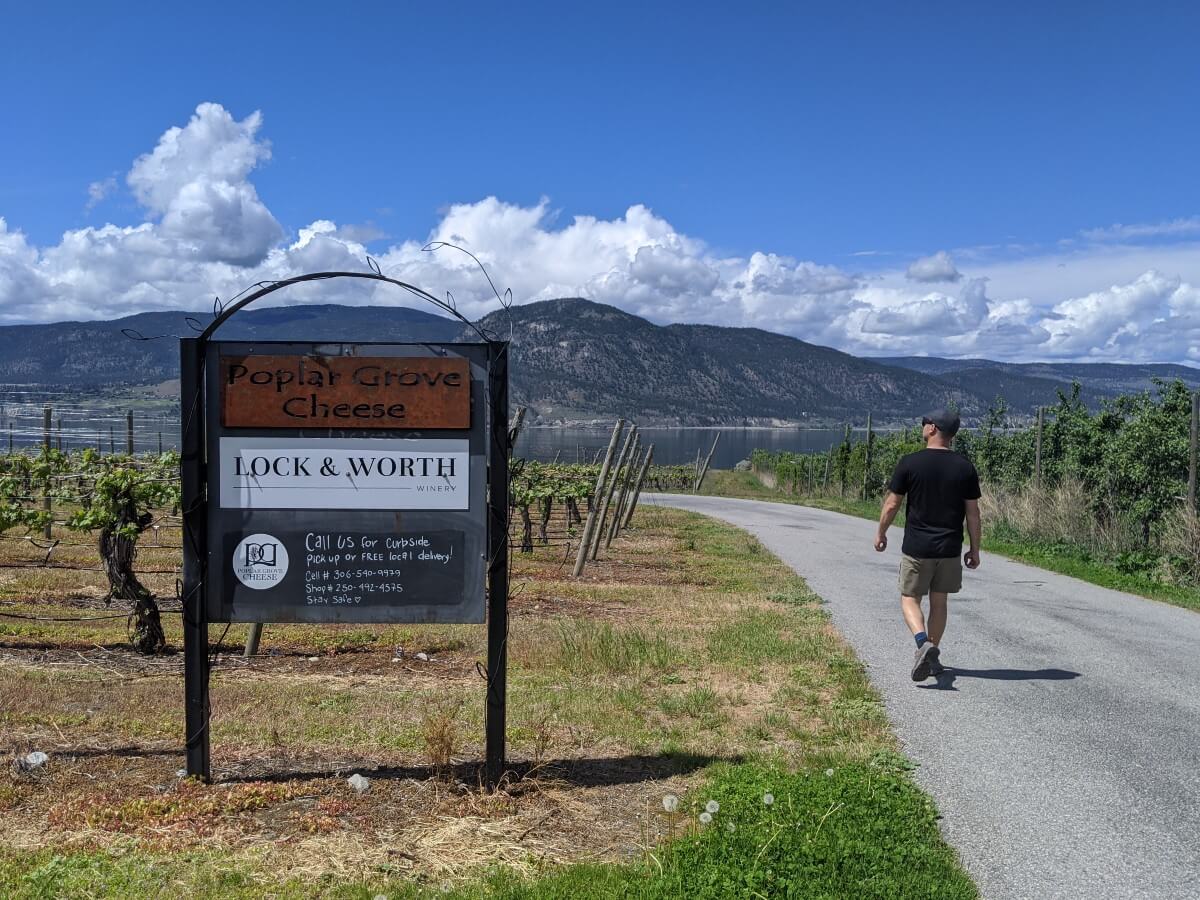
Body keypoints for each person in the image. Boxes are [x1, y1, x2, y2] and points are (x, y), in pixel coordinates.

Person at [874, 408, 981, 681]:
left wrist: (881, 532)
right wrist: (975, 549)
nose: (922, 426)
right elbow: (973, 514)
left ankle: (923, 643)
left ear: (933, 428)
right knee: (939, 602)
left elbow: (892, 504)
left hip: (918, 547)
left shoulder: (910, 463)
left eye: (924, 422)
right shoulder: (965, 467)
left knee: (909, 598)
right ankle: (932, 656)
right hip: (949, 548)